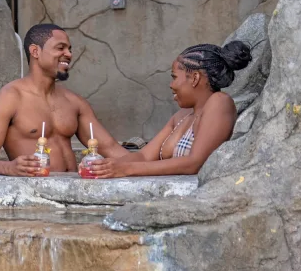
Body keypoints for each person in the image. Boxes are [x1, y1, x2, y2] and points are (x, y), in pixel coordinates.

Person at [0, 24, 128, 176]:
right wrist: (9, 168)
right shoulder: (10, 98)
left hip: (74, 191)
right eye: (60, 48)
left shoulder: (74, 102)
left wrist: (150, 163)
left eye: (69, 49)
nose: (68, 54)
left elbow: (111, 149)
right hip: (35, 195)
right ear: (35, 51)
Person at [87, 41, 251, 178]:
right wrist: (103, 166)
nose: (171, 85)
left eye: (174, 77)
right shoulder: (182, 116)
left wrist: (126, 169)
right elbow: (144, 156)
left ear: (194, 78)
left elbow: (194, 163)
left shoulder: (220, 102)